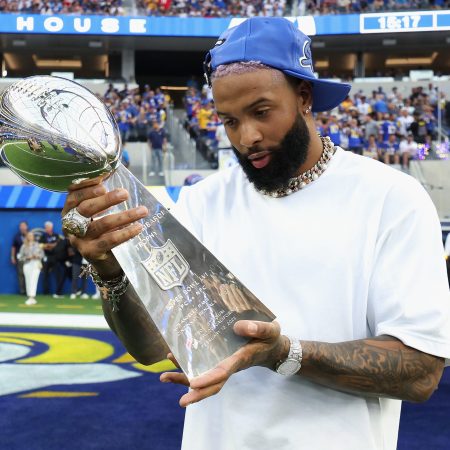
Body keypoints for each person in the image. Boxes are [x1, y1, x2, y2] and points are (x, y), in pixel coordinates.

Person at [61, 17, 450, 450]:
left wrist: (284, 353)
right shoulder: (201, 202)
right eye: (229, 121)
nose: (247, 137)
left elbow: (421, 372)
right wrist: (109, 269)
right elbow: (151, 345)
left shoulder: (390, 198)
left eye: (261, 112)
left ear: (304, 96)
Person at [18, 231, 44, 305]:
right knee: (28, 280)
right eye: (29, 236)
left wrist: (37, 256)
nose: (30, 237)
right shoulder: (24, 246)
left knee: (34, 280)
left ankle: (32, 297)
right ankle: (30, 296)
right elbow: (20, 257)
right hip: (27, 264)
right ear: (27, 237)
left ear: (33, 237)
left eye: (32, 236)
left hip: (36, 264)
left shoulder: (37, 245)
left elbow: (42, 255)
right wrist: (28, 257)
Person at [39, 221, 60, 295]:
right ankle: (45, 292)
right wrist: (50, 246)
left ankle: (58, 292)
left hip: (55, 257)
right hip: (46, 257)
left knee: (57, 274)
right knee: (45, 275)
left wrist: (47, 245)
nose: (47, 228)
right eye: (46, 227)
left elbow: (58, 244)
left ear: (51, 227)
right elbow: (40, 246)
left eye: (49, 227)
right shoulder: (43, 236)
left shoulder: (56, 235)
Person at [10, 221, 28, 295]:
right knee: (20, 274)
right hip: (20, 258)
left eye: (24, 226)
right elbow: (13, 247)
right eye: (21, 226)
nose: (22, 227)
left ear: (26, 227)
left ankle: (29, 291)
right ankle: (22, 291)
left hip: (29, 258)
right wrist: (12, 257)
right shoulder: (17, 236)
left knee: (28, 274)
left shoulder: (30, 235)